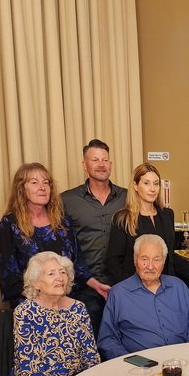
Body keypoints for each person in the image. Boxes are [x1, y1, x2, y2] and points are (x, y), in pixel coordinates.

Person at [0, 162, 108, 322]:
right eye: (34, 182)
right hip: (31, 308)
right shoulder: (9, 224)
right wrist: (45, 299)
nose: (42, 187)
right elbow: (9, 276)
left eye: (46, 182)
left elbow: (78, 263)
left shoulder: (62, 220)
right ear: (21, 189)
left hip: (66, 302)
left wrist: (96, 285)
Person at [9, 252, 99, 376]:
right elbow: (29, 365)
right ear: (36, 282)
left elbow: (91, 355)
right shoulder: (25, 313)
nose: (60, 277)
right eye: (51, 274)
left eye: (63, 272)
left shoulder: (78, 308)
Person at [98, 234, 189, 359]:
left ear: (164, 262)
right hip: (140, 366)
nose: (150, 266)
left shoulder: (178, 286)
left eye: (156, 260)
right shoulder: (118, 294)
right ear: (135, 260)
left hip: (183, 361)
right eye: (144, 259)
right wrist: (136, 363)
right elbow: (107, 340)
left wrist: (188, 353)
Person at [61, 139, 127, 329]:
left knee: (124, 337)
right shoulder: (67, 200)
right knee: (88, 339)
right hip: (84, 287)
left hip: (121, 284)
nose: (101, 164)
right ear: (85, 165)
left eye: (105, 160)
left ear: (111, 164)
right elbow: (63, 246)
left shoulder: (128, 198)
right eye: (95, 160)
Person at [105, 163, 189, 285]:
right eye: (146, 183)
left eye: (156, 184)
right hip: (136, 287)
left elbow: (169, 255)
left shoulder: (167, 214)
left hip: (165, 286)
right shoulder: (122, 219)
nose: (152, 189)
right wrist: (131, 287)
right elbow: (113, 262)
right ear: (135, 186)